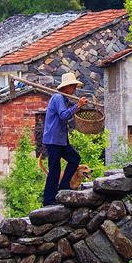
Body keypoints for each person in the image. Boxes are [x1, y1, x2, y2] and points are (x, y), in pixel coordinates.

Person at [41, 72, 87, 206]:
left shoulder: (65, 99)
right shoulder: (57, 98)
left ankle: (64, 186)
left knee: (74, 158)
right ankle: (49, 199)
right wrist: (77, 106)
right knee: (54, 169)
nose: (74, 89)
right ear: (66, 87)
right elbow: (63, 115)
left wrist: (78, 106)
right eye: (73, 86)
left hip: (61, 139)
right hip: (53, 139)